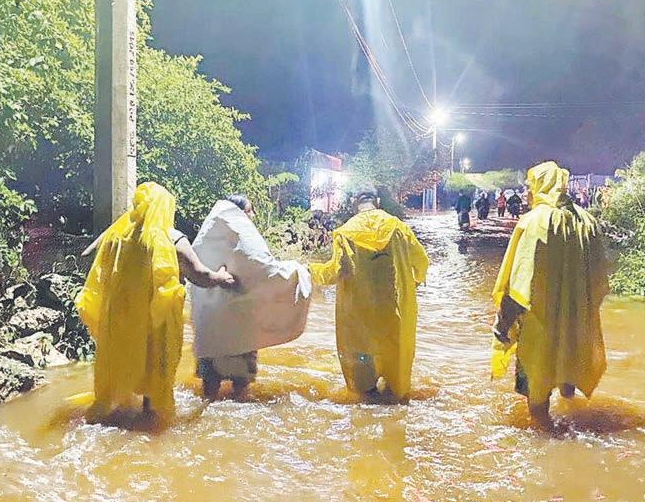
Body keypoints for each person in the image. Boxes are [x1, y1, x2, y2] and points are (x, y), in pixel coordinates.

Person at [75, 182, 234, 424]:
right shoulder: (172, 238)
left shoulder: (116, 235)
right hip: (156, 320)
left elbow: (93, 265)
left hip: (120, 318)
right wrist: (221, 277)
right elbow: (200, 275)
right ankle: (149, 421)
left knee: (122, 361)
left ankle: (114, 417)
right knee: (155, 371)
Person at [491, 161, 609, 430]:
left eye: (530, 186)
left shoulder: (533, 223)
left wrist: (503, 324)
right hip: (577, 326)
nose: (528, 193)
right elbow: (599, 282)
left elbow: (518, 285)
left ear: (540, 186)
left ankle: (545, 439)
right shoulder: (588, 222)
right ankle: (573, 424)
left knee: (537, 395)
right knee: (569, 378)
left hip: (540, 327)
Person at [310, 187, 429, 401]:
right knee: (396, 389)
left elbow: (335, 272)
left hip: (359, 317)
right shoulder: (398, 227)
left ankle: (366, 409)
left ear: (354, 202)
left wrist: (310, 271)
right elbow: (421, 261)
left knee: (363, 390)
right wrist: (415, 282)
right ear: (378, 201)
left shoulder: (345, 233)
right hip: (393, 313)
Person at [189, 195, 312, 399]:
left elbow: (195, 277)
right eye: (249, 211)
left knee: (209, 386)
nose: (252, 215)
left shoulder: (205, 238)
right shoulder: (247, 240)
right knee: (241, 388)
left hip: (210, 323)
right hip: (240, 322)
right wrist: (298, 270)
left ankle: (206, 411)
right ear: (238, 213)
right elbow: (266, 272)